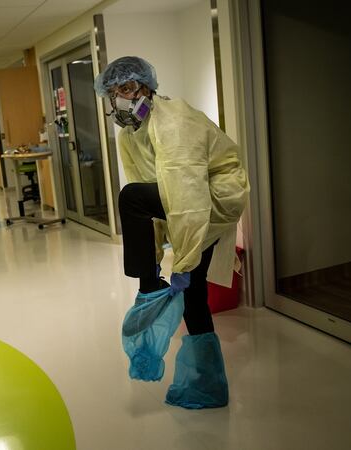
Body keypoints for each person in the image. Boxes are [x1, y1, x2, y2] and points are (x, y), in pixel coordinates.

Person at [94, 56, 249, 409]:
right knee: (194, 296)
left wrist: (181, 262)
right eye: (113, 92)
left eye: (127, 88)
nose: (120, 98)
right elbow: (157, 200)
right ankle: (207, 384)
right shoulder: (131, 136)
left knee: (129, 198)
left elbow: (189, 201)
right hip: (191, 201)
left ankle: (149, 285)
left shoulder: (174, 123)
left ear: (147, 87)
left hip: (216, 197)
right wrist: (160, 253)